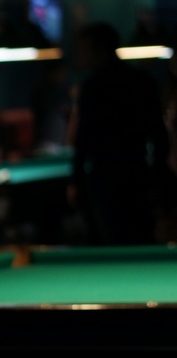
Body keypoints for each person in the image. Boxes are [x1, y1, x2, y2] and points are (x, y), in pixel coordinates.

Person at [67, 22, 169, 245]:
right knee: (141, 238)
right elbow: (160, 136)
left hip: (105, 180)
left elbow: (83, 140)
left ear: (99, 49)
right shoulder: (143, 81)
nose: (79, 54)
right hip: (138, 175)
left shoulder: (92, 87)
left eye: (83, 48)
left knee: (112, 241)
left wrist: (75, 181)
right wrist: (159, 176)